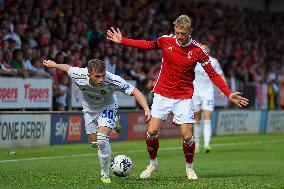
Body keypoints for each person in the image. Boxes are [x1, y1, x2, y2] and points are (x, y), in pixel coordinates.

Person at [106, 15, 249, 180]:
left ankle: (189, 168)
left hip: (184, 96)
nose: (180, 36)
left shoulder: (198, 50)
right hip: (162, 93)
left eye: (183, 33)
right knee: (152, 131)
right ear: (174, 29)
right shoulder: (166, 40)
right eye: (178, 32)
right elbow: (146, 45)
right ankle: (153, 164)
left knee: (187, 136)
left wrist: (229, 92)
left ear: (190, 31)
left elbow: (212, 74)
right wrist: (123, 40)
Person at [42, 59, 151, 184]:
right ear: (88, 74)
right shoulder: (79, 74)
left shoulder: (113, 79)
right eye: (97, 76)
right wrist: (54, 65)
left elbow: (135, 91)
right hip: (89, 110)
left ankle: (104, 173)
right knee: (94, 143)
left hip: (107, 107)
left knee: (101, 139)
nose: (101, 79)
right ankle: (115, 121)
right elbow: (67, 68)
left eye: (103, 75)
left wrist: (146, 108)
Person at [193, 43, 227, 153]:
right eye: (201, 49)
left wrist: (224, 88)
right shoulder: (194, 60)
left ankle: (207, 145)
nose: (203, 51)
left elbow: (221, 75)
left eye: (205, 49)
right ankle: (197, 144)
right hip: (195, 94)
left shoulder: (213, 62)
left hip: (208, 93)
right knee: (197, 119)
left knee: (207, 118)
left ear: (208, 51)